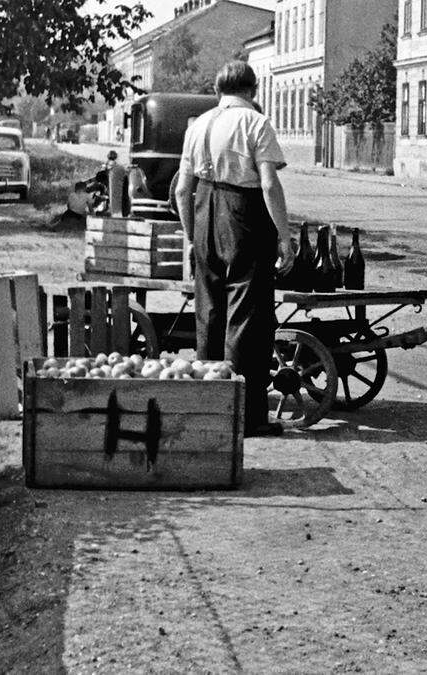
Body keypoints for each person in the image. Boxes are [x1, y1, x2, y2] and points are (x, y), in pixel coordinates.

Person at [174, 61, 295, 437]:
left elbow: (181, 189)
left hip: (203, 213)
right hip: (243, 217)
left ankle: (209, 408)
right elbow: (269, 185)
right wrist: (285, 236)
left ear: (217, 89)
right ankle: (246, 416)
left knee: (209, 312)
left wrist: (192, 237)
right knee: (247, 317)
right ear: (254, 90)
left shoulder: (198, 125)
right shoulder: (255, 123)